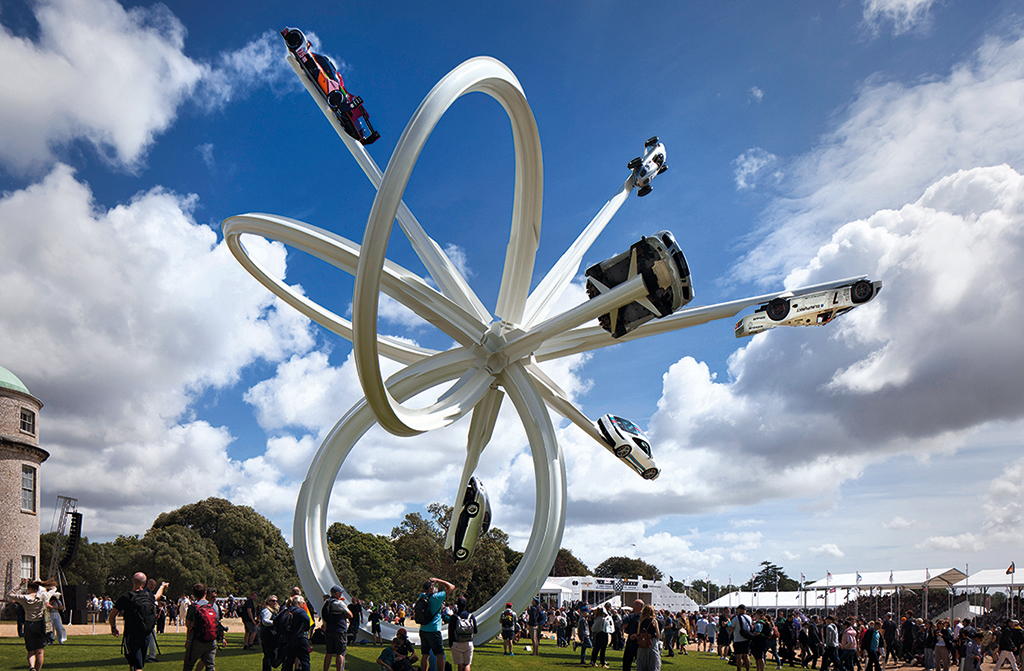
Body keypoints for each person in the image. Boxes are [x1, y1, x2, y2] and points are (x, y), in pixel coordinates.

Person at [109, 573, 167, 671]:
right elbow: (158, 595)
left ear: (132, 581)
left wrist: (113, 627)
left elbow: (112, 615)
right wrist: (162, 586)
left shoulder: (126, 597)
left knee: (137, 666)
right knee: (137, 664)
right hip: (146, 633)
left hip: (131, 634)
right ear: (144, 583)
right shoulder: (149, 596)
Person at [6, 577, 60, 671]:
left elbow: (9, 594)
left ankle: (32, 667)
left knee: (31, 651)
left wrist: (20, 585)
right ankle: (37, 670)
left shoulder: (24, 598)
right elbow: (54, 588)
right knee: (40, 651)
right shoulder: (44, 596)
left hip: (28, 624)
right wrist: (41, 583)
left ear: (29, 588)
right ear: (38, 588)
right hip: (40, 624)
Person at [417, 577, 454, 671]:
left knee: (425, 655)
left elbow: (423, 590)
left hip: (423, 629)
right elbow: (451, 587)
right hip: (434, 630)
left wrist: (427, 585)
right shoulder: (437, 597)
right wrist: (438, 580)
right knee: (440, 655)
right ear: (431, 588)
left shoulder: (421, 596)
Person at [182, 583, 218, 671]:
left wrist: (187, 640)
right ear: (205, 593)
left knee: (188, 665)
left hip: (197, 640)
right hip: (211, 640)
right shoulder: (213, 606)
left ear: (193, 594)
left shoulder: (193, 607)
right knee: (210, 666)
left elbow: (188, 625)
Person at [277, 595, 313, 671]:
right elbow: (307, 620)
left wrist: (281, 632)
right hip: (300, 638)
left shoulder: (286, 611)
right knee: (305, 660)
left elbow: (275, 622)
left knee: (289, 660)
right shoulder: (300, 611)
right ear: (299, 603)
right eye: (303, 602)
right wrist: (305, 628)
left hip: (288, 639)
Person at [322, 587, 355, 671]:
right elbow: (350, 614)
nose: (341, 594)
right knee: (340, 653)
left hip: (329, 629)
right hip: (339, 630)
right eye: (340, 592)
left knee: (329, 652)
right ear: (336, 593)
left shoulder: (326, 602)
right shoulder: (339, 603)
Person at [448, 596, 477, 671]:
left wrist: (450, 644)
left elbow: (450, 632)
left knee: (460, 665)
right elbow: (475, 631)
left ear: (457, 605)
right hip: (468, 643)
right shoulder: (471, 616)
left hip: (457, 643)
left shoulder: (454, 617)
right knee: (467, 664)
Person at [635, 604, 661, 671]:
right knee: (653, 663)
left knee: (642, 662)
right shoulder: (654, 621)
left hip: (643, 642)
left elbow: (638, 633)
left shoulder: (641, 621)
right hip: (652, 642)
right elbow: (658, 635)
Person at [260, 595, 280, 671]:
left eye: (276, 601)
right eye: (273, 600)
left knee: (271, 655)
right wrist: (276, 623)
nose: (275, 602)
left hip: (272, 635)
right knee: (269, 656)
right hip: (267, 636)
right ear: (268, 601)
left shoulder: (274, 610)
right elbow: (265, 621)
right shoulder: (266, 610)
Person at [731, 605, 754, 671]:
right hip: (747, 638)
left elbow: (731, 627)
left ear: (740, 610)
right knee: (746, 655)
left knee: (738, 656)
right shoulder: (749, 617)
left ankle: (739, 669)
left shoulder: (736, 618)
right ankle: (747, 669)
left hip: (738, 639)